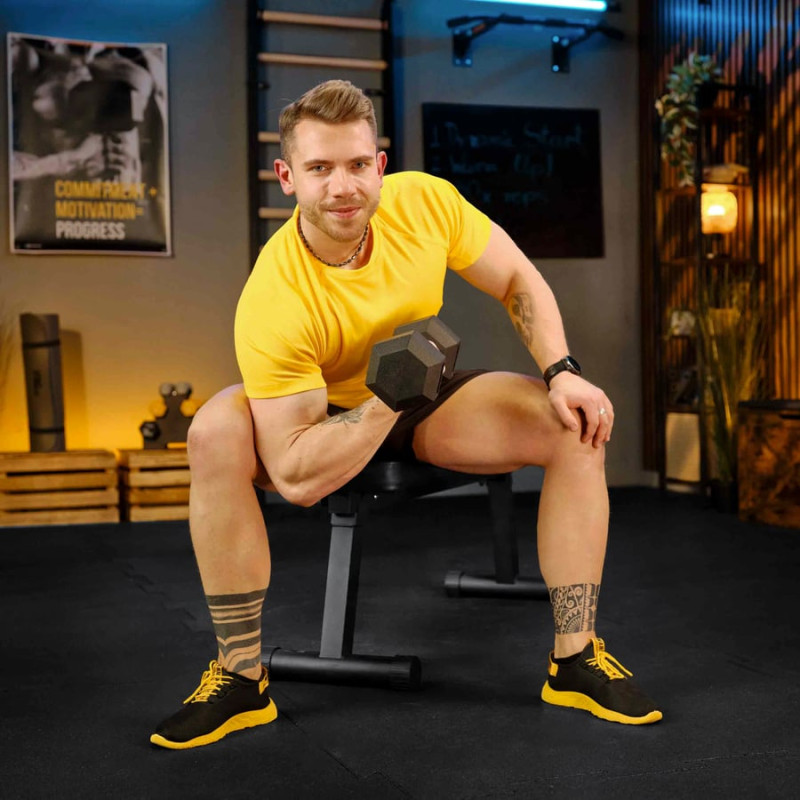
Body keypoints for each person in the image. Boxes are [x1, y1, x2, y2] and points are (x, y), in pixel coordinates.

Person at [150, 80, 662, 750]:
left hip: (420, 395)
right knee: (214, 430)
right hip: (322, 414)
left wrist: (561, 371)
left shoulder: (423, 202)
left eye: (358, 165)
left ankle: (575, 657)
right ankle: (241, 676)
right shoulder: (274, 298)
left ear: (381, 166)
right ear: (287, 177)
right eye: (320, 168)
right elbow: (298, 479)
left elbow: (516, 277)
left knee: (573, 425)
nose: (343, 187)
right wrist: (382, 404)